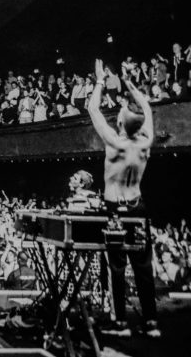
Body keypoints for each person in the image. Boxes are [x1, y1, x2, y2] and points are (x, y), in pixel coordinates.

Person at [88, 59, 159, 338]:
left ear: (119, 122)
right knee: (143, 265)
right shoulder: (145, 143)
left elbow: (93, 108)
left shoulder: (114, 144)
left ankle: (120, 323)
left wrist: (99, 81)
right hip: (138, 207)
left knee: (116, 265)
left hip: (116, 209)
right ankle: (151, 322)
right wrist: (130, 86)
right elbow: (149, 111)